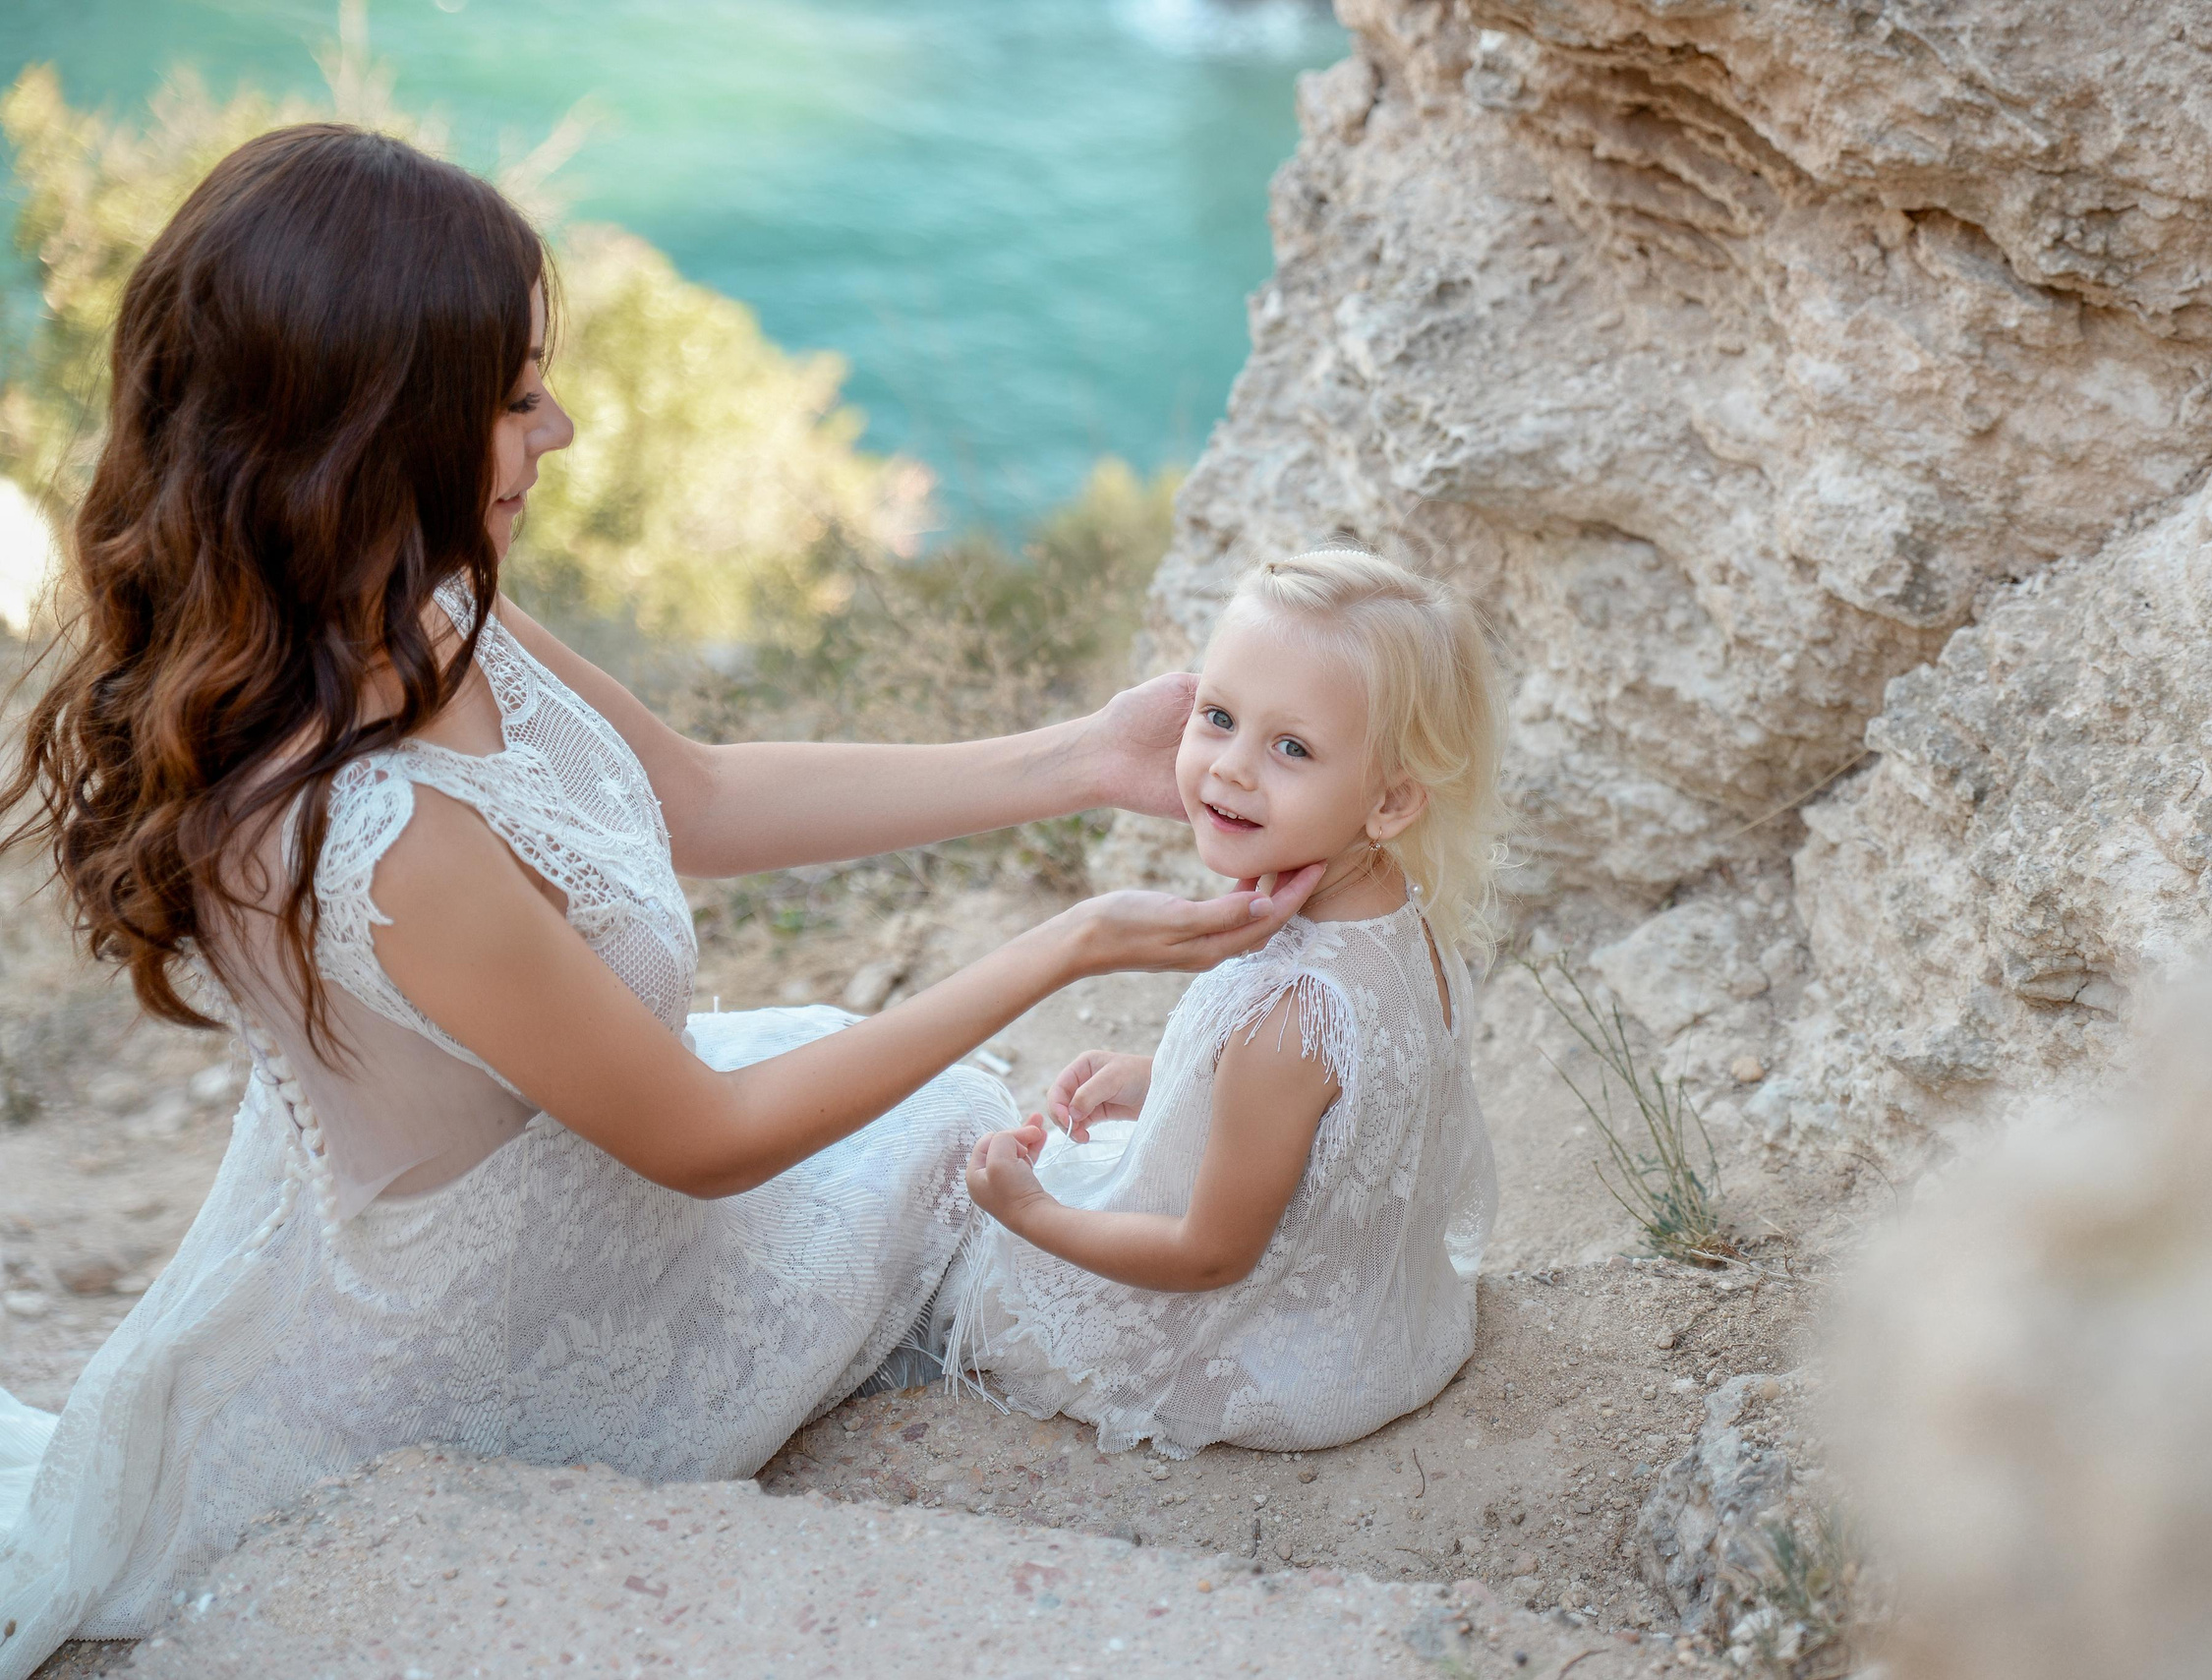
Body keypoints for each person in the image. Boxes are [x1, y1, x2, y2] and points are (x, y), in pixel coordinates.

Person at [0, 124, 1319, 1677]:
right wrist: (1069, 942)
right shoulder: (371, 830)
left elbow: (694, 797)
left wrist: (1083, 756)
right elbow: (708, 1140)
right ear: (376, 430)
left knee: (982, 1153)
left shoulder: (406, 600)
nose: (556, 429)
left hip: (579, 1205)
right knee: (979, 1152)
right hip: (485, 1360)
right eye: (509, 400)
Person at [945, 549, 1503, 1458]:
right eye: (1219, 717)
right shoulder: (1401, 911)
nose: (1231, 769)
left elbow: (1211, 1256)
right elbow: (1333, 1120)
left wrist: (1030, 1216)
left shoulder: (1287, 1017)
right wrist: (1163, 1078)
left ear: (1392, 798)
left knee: (948, 1192)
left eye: (1292, 747)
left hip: (1282, 1366)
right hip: (1389, 1324)